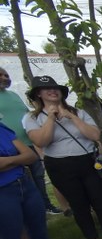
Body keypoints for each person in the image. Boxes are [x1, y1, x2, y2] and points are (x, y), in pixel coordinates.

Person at [23, 76, 102, 239]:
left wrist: (71, 117)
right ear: (38, 94)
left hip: (87, 160)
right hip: (60, 165)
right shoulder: (32, 117)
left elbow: (95, 135)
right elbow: (41, 140)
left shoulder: (78, 112)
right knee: (78, 203)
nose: (52, 91)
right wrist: (51, 118)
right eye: (46, 89)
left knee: (99, 199)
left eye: (55, 88)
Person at [0, 122, 77, 239]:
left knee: (38, 229)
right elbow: (22, 158)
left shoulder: (3, 128)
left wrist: (7, 162)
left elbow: (30, 156)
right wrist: (17, 160)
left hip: (24, 185)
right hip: (3, 192)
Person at [0, 67, 62, 214]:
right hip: (9, 147)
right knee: (21, 180)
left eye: (6, 75)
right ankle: (28, 211)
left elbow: (27, 115)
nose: (4, 78)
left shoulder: (14, 95)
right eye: (0, 75)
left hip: (29, 144)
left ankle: (45, 206)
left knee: (39, 177)